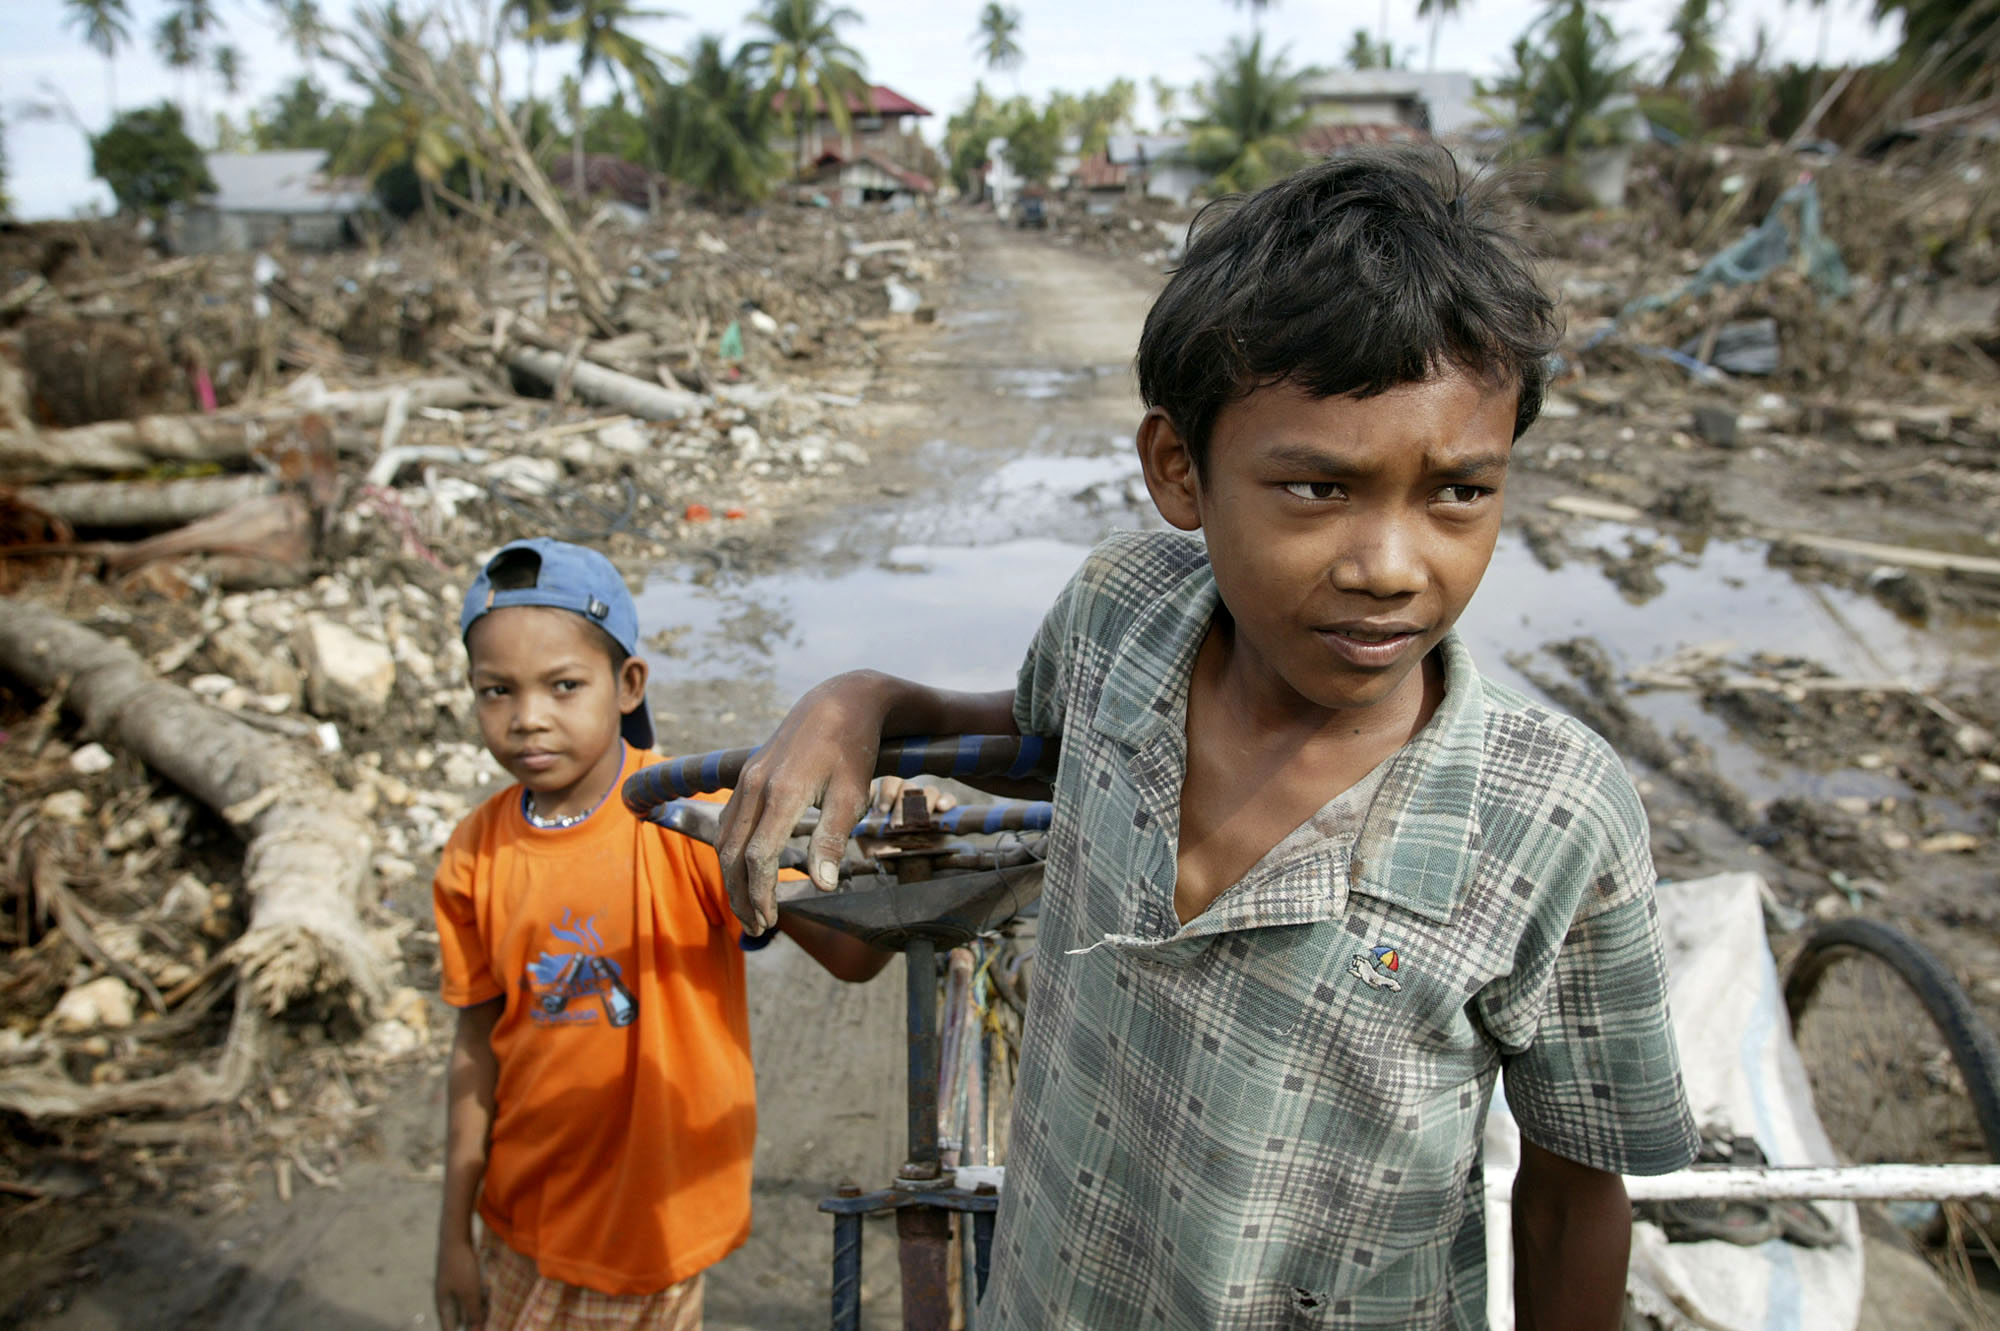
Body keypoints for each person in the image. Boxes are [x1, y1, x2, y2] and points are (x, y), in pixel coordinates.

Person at [713, 148, 1700, 1329]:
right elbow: (1034, 743)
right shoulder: (1119, 616)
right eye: (1312, 489)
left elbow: (1566, 1200)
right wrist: (861, 700)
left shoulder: (1554, 818)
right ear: (1179, 470)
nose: (1389, 567)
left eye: (1456, 492)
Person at [431, 537, 890, 1331]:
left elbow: (850, 954)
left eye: (563, 685)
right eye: (496, 690)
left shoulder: (684, 817)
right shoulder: (476, 849)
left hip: (647, 1232)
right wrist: (453, 1235)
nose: (527, 716)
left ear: (627, 683)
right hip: (517, 1221)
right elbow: (476, 1045)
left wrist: (890, 861)